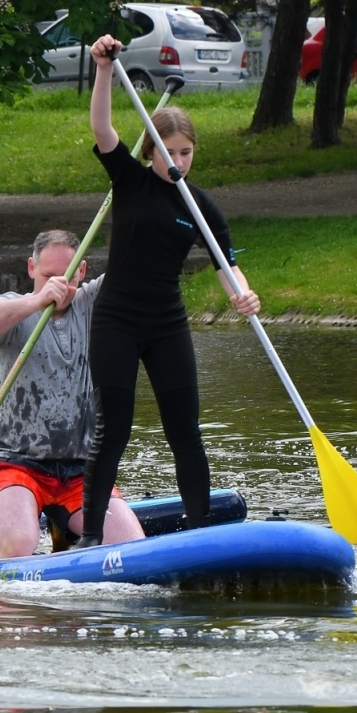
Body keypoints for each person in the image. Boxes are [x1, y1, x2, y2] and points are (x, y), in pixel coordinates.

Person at [73, 35, 261, 549]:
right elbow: (102, 128)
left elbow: (227, 266)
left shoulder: (200, 206)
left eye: (186, 152)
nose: (178, 160)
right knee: (114, 429)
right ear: (151, 151)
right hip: (116, 320)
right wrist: (103, 69)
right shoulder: (130, 180)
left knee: (185, 431)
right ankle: (91, 537)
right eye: (168, 152)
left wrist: (244, 295)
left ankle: (200, 534)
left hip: (166, 324)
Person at [0, 230, 145, 561]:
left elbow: (134, 266)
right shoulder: (13, 307)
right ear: (31, 268)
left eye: (67, 276)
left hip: (83, 467)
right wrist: (37, 301)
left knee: (131, 548)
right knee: (17, 548)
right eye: (48, 276)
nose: (58, 285)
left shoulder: (93, 301)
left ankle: (64, 526)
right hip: (18, 462)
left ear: (82, 270)